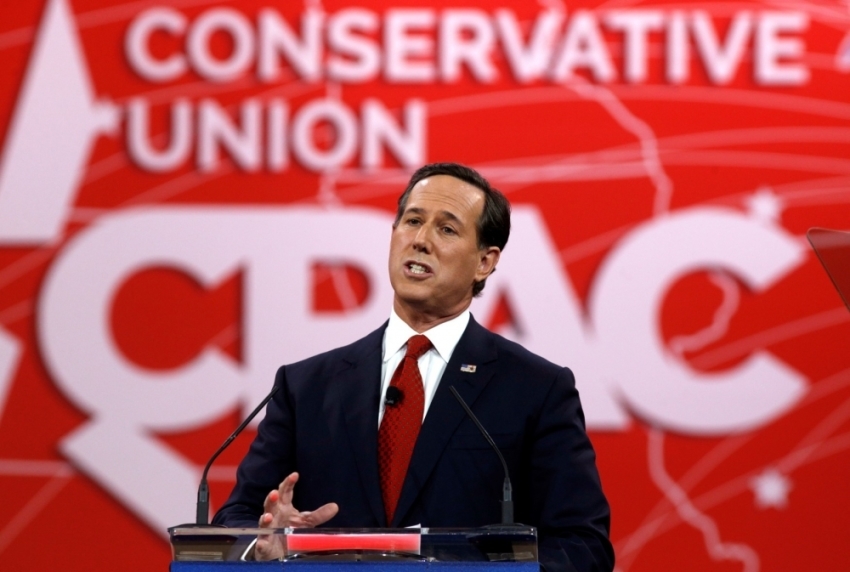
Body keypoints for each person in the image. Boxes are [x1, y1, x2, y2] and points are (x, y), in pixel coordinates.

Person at [212, 163, 614, 572]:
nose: (420, 240)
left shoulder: (536, 389)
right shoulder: (306, 387)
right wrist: (263, 546)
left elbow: (582, 545)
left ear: (485, 262)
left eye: (447, 229)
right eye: (413, 221)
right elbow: (237, 518)